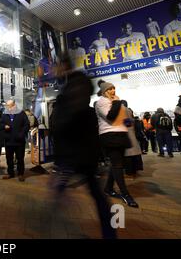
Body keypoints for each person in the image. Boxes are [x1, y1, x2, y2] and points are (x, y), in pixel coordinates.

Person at [49, 57, 116, 239]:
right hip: (76, 149)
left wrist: (58, 121)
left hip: (77, 148)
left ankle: (110, 232)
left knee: (95, 194)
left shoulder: (75, 84)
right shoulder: (73, 84)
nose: (53, 71)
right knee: (89, 191)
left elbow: (71, 115)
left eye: (55, 67)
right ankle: (109, 232)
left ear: (63, 66)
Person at [95, 80, 138, 208]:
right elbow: (111, 116)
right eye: (109, 89)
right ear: (103, 92)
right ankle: (125, 194)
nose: (113, 91)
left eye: (113, 88)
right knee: (117, 165)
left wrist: (128, 121)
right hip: (110, 136)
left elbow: (126, 121)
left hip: (121, 135)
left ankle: (108, 188)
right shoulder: (100, 103)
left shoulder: (116, 102)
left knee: (117, 164)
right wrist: (117, 102)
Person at [0, 100, 30, 182]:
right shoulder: (5, 114)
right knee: (9, 158)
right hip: (8, 140)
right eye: (6, 106)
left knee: (20, 158)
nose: (7, 107)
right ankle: (10, 173)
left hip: (19, 141)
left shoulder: (21, 113)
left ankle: (20, 174)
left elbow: (27, 125)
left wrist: (21, 134)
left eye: (8, 106)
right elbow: (0, 124)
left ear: (13, 105)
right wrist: (4, 126)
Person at [122, 102, 144, 178]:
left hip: (128, 135)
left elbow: (127, 123)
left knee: (129, 154)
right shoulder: (128, 111)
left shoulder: (124, 110)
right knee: (133, 154)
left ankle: (130, 171)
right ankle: (134, 170)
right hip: (132, 135)